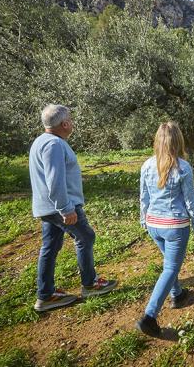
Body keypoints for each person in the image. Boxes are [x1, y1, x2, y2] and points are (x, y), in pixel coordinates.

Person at [29, 104, 117, 312]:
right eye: (70, 119)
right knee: (86, 237)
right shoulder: (54, 145)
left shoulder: (41, 141)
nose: (73, 123)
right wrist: (66, 209)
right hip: (61, 207)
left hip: (48, 208)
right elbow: (55, 181)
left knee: (50, 247)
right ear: (65, 123)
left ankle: (46, 295)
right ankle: (90, 284)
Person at [136, 122, 194, 338]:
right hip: (175, 226)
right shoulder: (183, 167)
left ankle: (177, 294)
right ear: (178, 141)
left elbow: (143, 197)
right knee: (170, 269)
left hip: (154, 225)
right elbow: (190, 201)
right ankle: (149, 316)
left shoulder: (147, 165)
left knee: (170, 264)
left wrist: (144, 221)